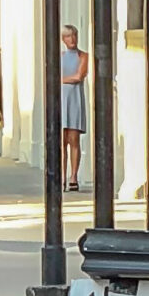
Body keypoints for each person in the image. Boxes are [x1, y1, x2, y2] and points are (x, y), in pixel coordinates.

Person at [59, 26, 87, 193]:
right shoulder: (60, 57)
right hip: (61, 100)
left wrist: (60, 79)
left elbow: (78, 76)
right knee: (61, 142)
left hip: (74, 100)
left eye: (74, 35)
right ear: (64, 39)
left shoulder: (82, 56)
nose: (72, 39)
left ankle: (73, 177)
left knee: (73, 139)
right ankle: (62, 177)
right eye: (68, 36)